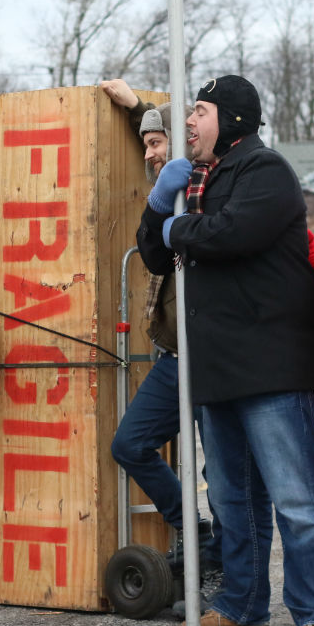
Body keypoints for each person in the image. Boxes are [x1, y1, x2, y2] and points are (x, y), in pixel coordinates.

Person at [136, 74, 314, 626]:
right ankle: (242, 601)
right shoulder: (195, 178)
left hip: (271, 367)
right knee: (232, 499)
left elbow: (232, 234)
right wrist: (159, 204)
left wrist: (176, 223)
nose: (187, 123)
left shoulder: (265, 171)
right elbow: (157, 253)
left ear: (229, 118)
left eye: (198, 111)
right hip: (215, 367)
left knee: (296, 497)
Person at [98, 79, 223, 580]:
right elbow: (161, 135)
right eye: (145, 145)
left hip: (214, 357)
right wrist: (136, 111)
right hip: (174, 354)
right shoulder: (166, 188)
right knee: (130, 444)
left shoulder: (210, 187)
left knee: (223, 473)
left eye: (156, 145)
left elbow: (174, 134)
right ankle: (193, 533)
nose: (149, 154)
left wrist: (151, 120)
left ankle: (223, 570)